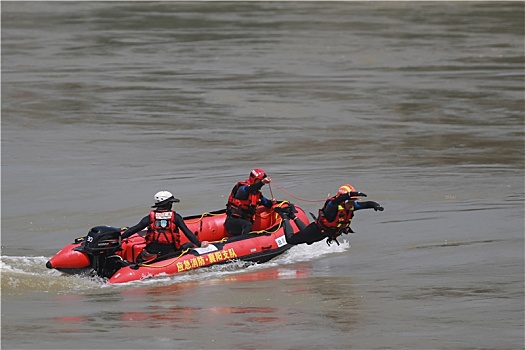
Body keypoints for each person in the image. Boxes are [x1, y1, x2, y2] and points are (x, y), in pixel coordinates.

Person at [274, 183, 384, 246]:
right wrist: (350, 194)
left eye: (353, 201)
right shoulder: (332, 207)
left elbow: (367, 204)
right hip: (316, 230)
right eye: (350, 201)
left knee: (309, 241)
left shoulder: (351, 206)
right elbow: (336, 200)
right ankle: (284, 216)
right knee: (291, 240)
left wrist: (376, 205)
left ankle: (293, 216)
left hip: (324, 233)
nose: (352, 204)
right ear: (344, 200)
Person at [121, 191, 209, 263]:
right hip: (169, 253)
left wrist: (120, 238)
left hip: (151, 252)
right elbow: (188, 234)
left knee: (139, 258)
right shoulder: (176, 217)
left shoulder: (149, 218)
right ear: (167, 204)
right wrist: (199, 244)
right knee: (189, 245)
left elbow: (133, 230)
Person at [224, 168, 277, 236]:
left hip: (243, 221)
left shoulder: (257, 194)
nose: (259, 183)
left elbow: (267, 203)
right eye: (258, 181)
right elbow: (250, 189)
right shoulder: (242, 190)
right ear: (253, 180)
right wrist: (262, 182)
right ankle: (243, 242)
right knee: (247, 225)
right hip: (232, 221)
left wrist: (272, 202)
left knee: (247, 224)